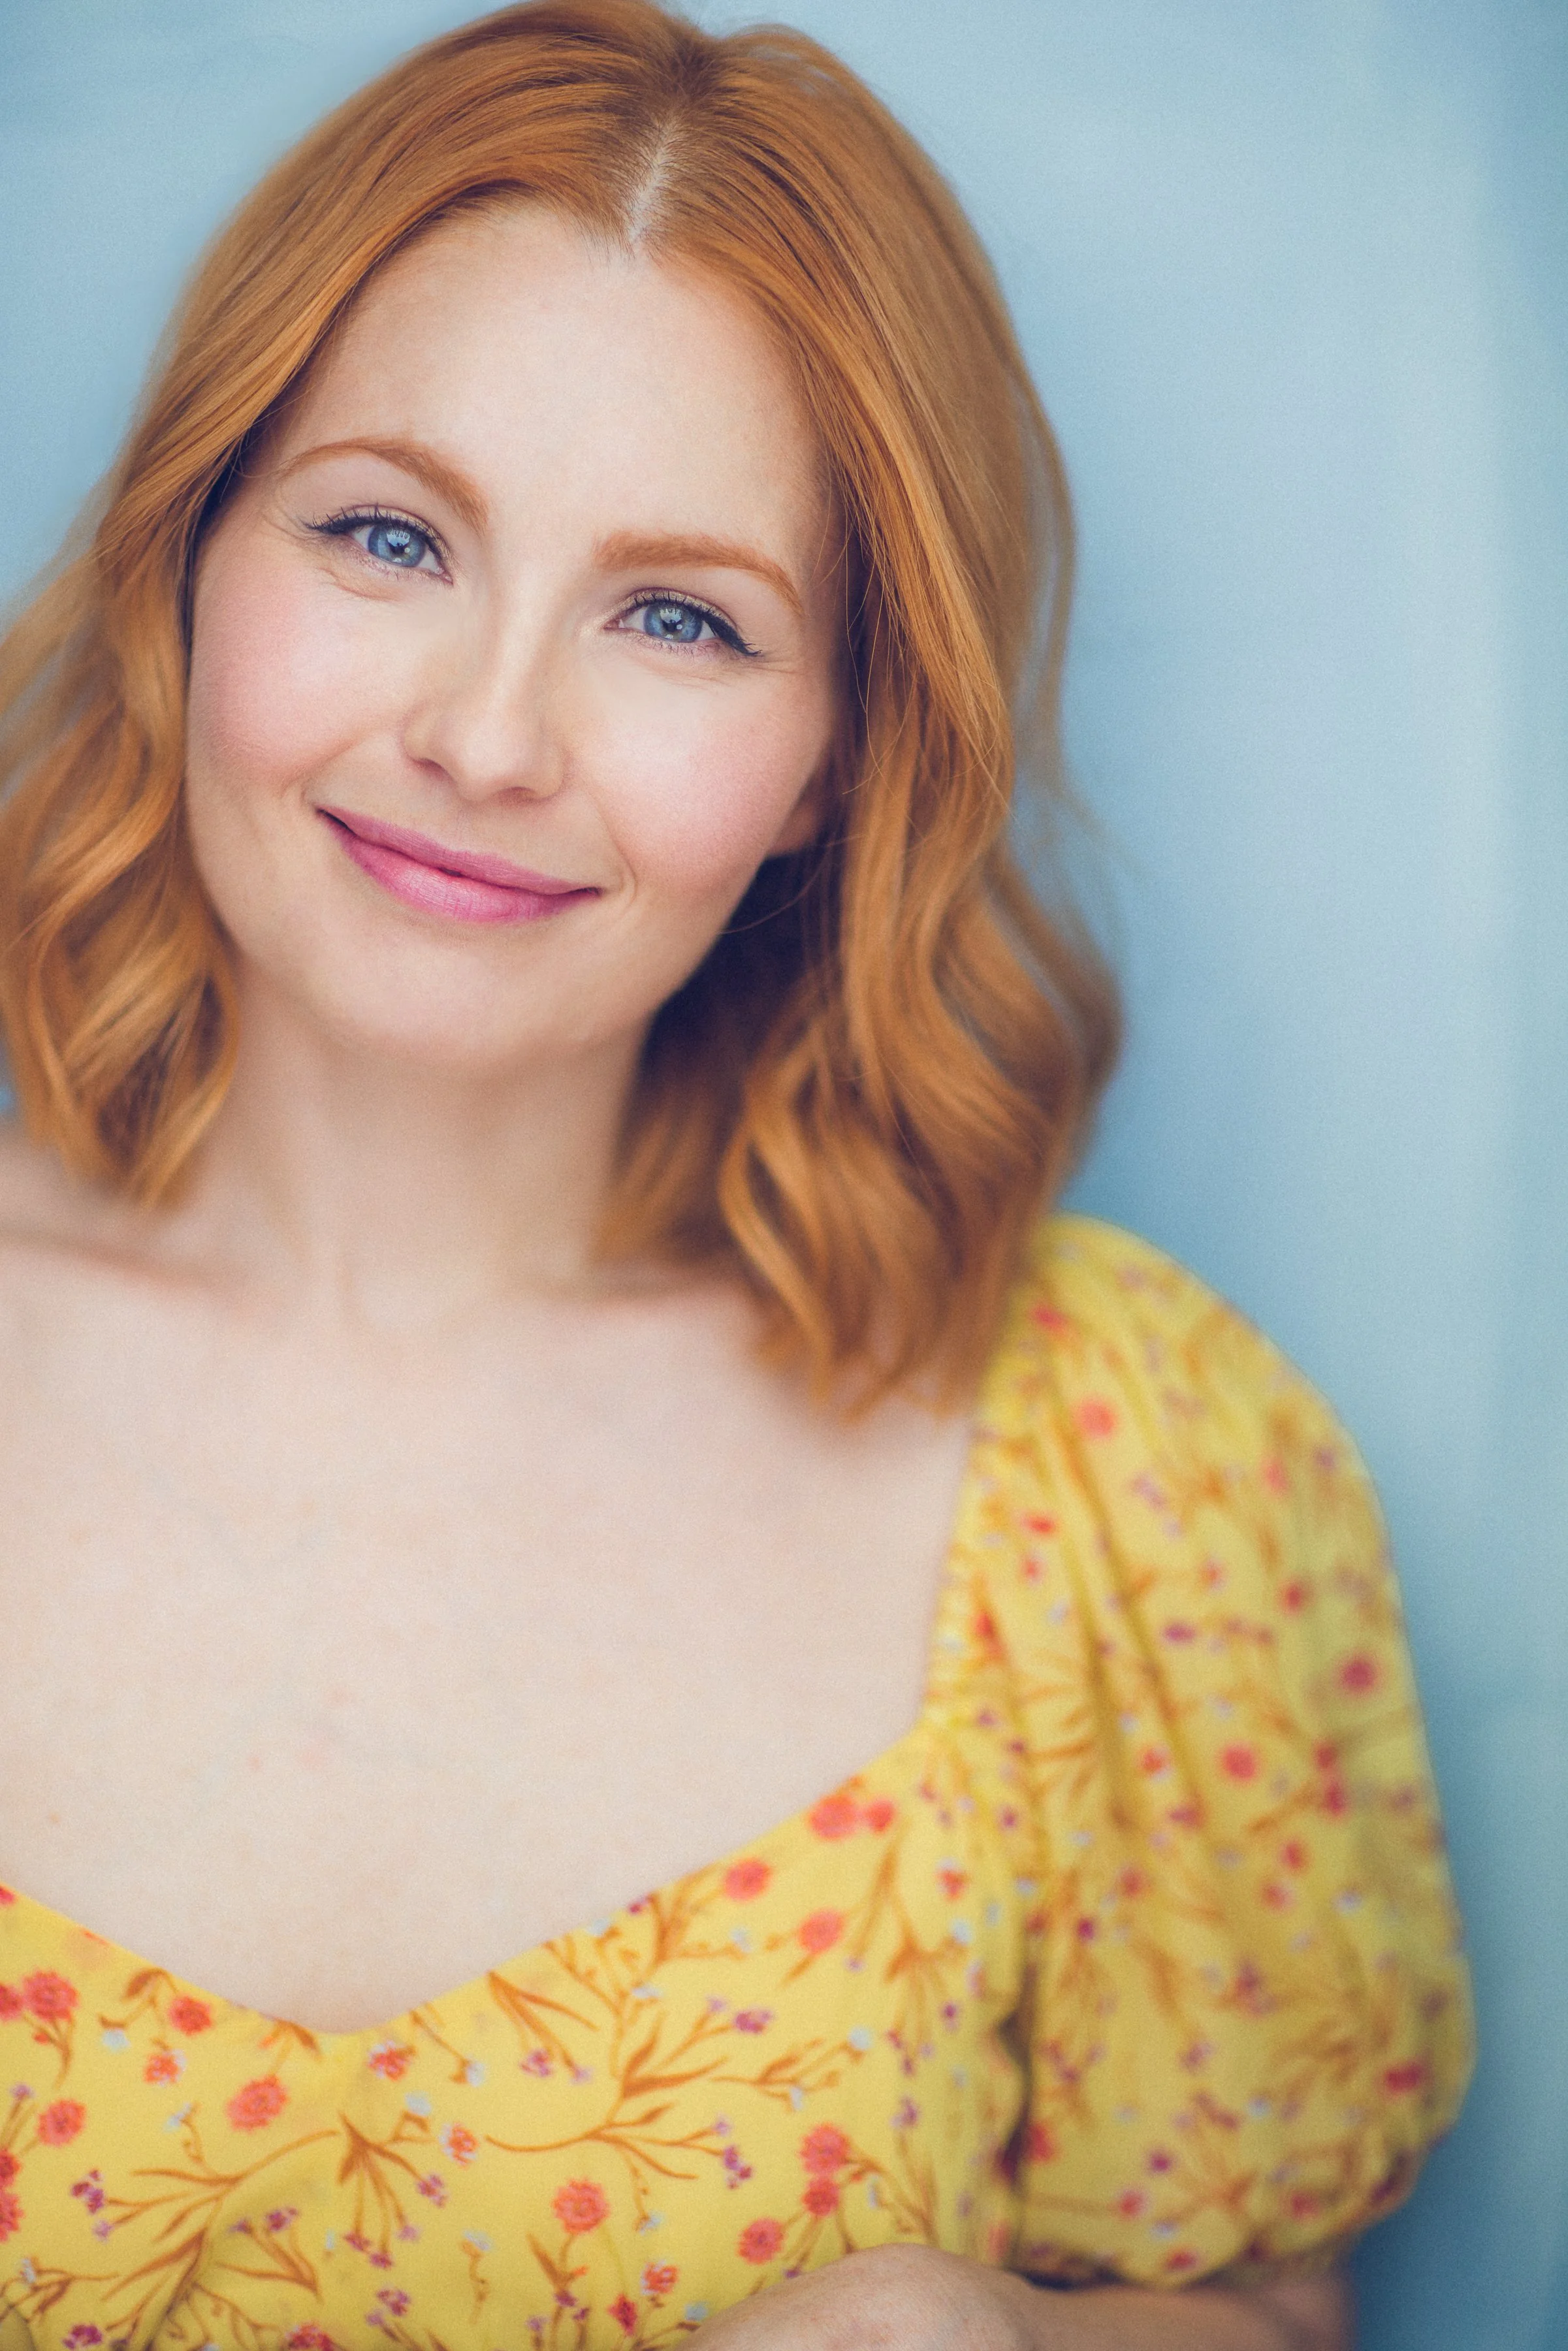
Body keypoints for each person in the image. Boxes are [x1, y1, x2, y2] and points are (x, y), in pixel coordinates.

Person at [0, 3, 1470, 2346]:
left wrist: (985, 2341)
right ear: (193, 561)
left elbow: (1267, 2304)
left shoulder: (1124, 1474)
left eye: (679, 617)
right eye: (387, 533)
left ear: (831, 764)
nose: (485, 737)